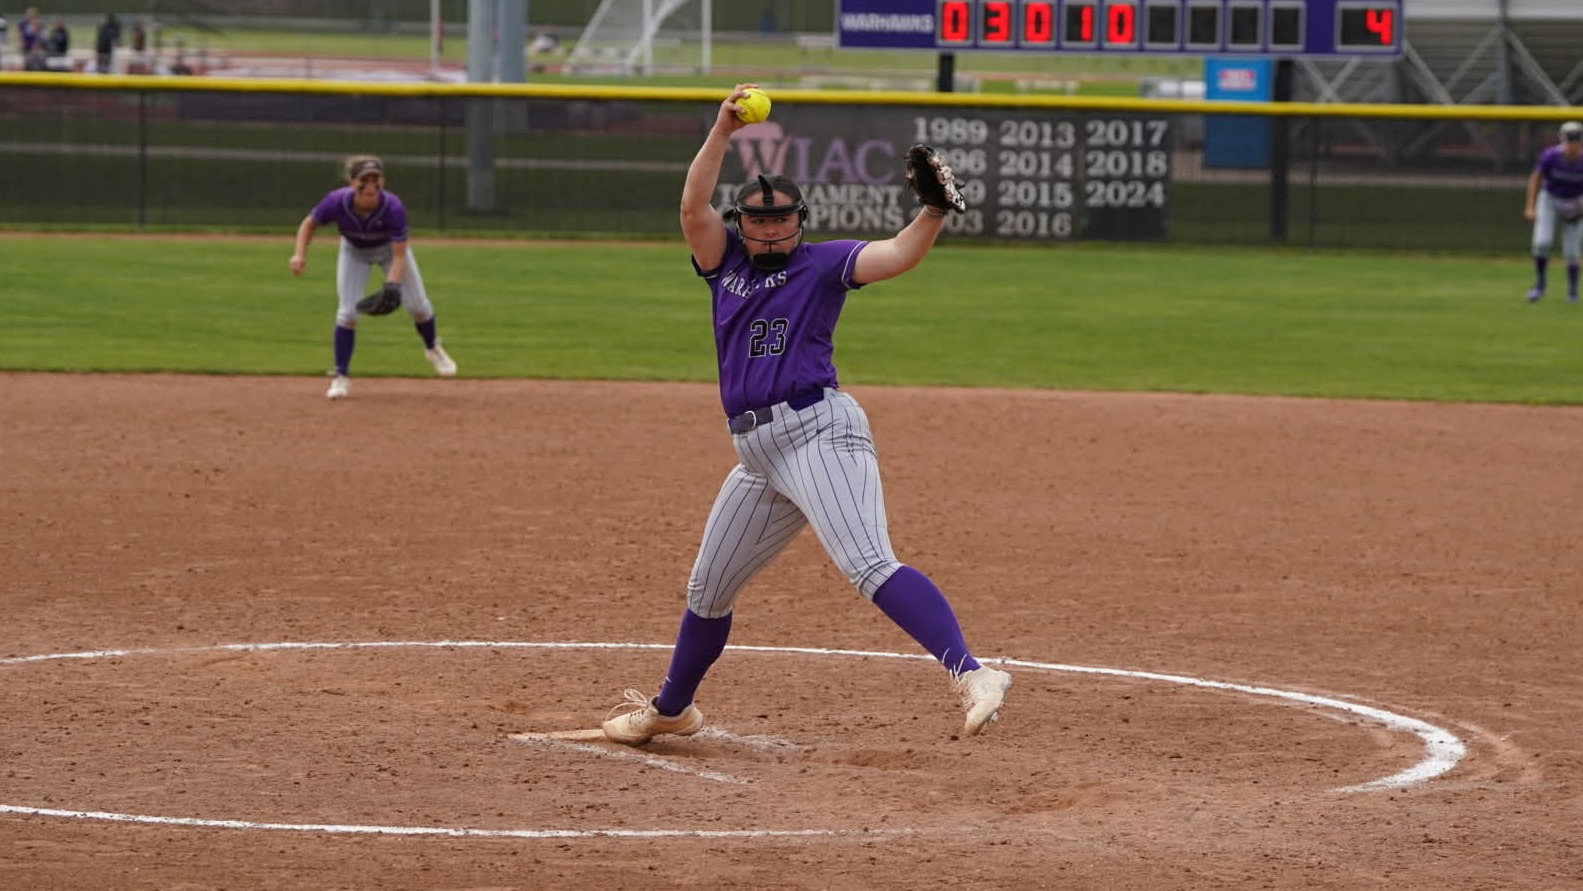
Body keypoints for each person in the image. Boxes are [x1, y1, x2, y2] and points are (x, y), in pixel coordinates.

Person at [600, 84, 1011, 746]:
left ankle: (974, 671)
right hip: (758, 456)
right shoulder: (722, 265)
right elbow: (690, 205)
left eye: (780, 220)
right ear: (742, 225)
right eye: (757, 221)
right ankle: (670, 707)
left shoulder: (822, 265)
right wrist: (720, 130)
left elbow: (897, 254)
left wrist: (932, 211)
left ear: (800, 220)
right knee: (708, 587)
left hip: (818, 432)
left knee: (867, 562)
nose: (769, 230)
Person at [288, 155, 457, 400]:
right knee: (347, 314)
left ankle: (432, 348)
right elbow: (309, 224)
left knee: (419, 307)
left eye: (375, 179)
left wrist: (392, 285)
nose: (370, 186)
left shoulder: (393, 207)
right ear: (351, 182)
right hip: (354, 251)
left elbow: (399, 255)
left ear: (383, 182)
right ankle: (341, 377)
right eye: (363, 180)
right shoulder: (336, 201)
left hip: (389, 250)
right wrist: (299, 254)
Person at [1524, 121, 1583, 303]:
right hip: (1550, 200)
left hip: (1576, 202)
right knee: (1541, 243)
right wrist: (1531, 207)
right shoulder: (1551, 156)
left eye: (1576, 140)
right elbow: (1535, 179)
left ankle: (1572, 292)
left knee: (1572, 252)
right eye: (1569, 140)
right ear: (1562, 140)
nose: (1572, 144)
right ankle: (1540, 285)